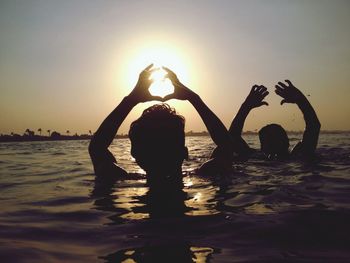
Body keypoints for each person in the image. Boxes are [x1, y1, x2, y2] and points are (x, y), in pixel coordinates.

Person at [89, 64, 233, 189]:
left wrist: (131, 100)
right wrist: (194, 98)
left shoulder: (117, 178)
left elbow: (97, 148)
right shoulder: (209, 174)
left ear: (135, 154)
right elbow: (226, 146)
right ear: (185, 152)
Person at [229, 80, 321, 160]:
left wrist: (246, 106)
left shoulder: (253, 157)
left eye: (274, 141)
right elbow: (313, 126)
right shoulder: (298, 155)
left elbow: (232, 137)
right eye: (269, 142)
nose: (273, 145)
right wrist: (300, 99)